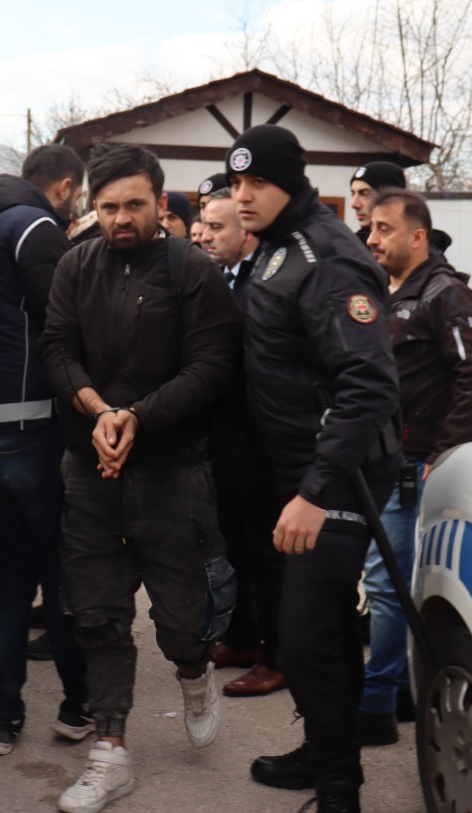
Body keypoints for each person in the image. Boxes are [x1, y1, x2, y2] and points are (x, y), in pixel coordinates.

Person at [42, 144, 241, 813]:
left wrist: (137, 418)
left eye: (133, 205)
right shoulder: (74, 266)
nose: (120, 218)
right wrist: (100, 412)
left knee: (183, 621)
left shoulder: (195, 270)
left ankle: (194, 671)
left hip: (173, 475)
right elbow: (57, 349)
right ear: (91, 206)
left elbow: (212, 366)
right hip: (90, 473)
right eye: (107, 207)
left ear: (159, 202)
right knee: (97, 616)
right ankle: (111, 749)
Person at [226, 124, 403, 813]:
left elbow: (369, 386)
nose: (243, 195)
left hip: (335, 477)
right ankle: (325, 752)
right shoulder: (276, 246)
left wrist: (313, 493)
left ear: (292, 183)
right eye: (236, 182)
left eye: (258, 182)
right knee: (318, 629)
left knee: (303, 641)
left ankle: (338, 790)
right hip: (288, 473)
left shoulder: (326, 258)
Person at [0, 144, 93, 757]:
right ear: (63, 188)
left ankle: (2, 719)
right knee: (58, 572)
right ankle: (78, 707)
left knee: (14, 573)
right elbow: (66, 323)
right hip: (30, 425)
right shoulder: (34, 228)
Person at [357, 188, 472, 744]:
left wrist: (443, 454)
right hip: (387, 460)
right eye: (371, 228)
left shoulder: (446, 295)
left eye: (384, 229)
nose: (372, 238)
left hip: (416, 466)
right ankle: (400, 692)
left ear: (418, 236)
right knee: (394, 583)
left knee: (387, 584)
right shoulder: (390, 292)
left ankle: (374, 706)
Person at [195, 191, 285, 697]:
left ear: (245, 233)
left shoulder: (263, 284)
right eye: (204, 225)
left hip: (262, 442)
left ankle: (277, 656)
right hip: (229, 441)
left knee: (268, 555)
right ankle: (244, 637)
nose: (205, 235)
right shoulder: (225, 278)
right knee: (235, 548)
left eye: (217, 227)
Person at [347, 160, 405, 243]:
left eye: (365, 193)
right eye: (353, 194)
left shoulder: (415, 246)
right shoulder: (349, 246)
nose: (354, 204)